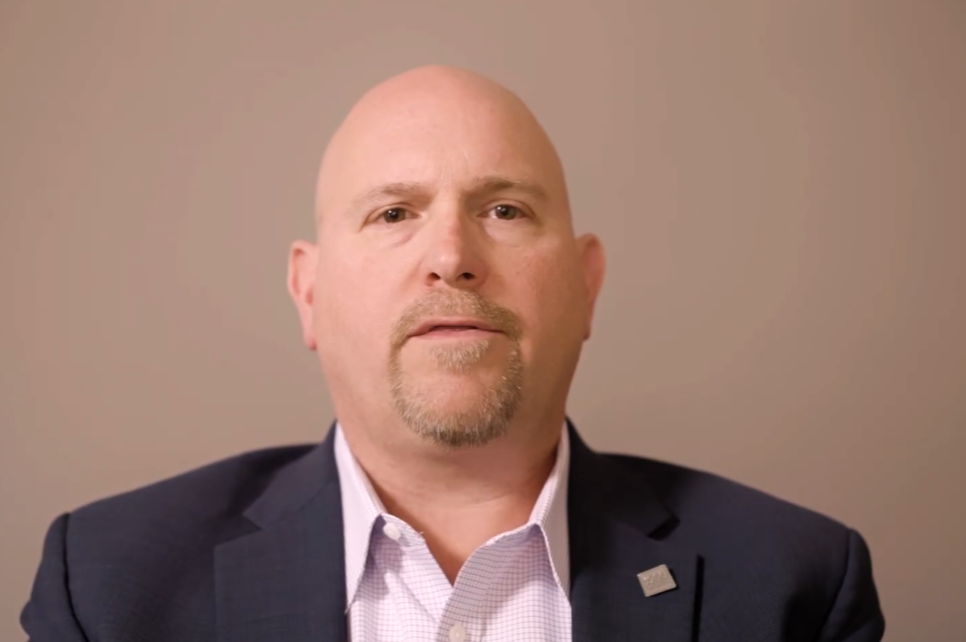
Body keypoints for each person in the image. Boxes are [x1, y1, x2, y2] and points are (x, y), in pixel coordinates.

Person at [21, 65, 885, 642]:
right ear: (309, 292)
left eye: (505, 210)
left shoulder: (795, 590)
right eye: (393, 214)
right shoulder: (106, 591)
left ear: (586, 285)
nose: (452, 255)